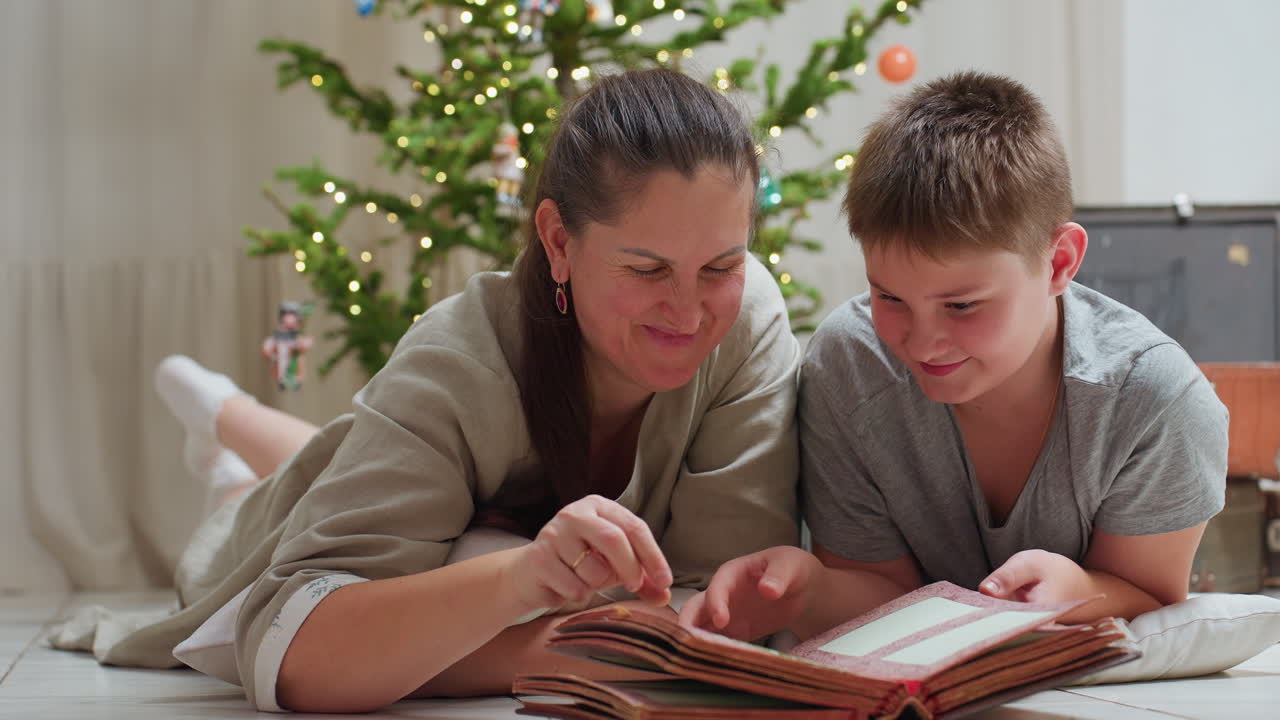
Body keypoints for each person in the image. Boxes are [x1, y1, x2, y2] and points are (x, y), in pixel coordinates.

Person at [53, 69, 802, 713]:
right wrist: (522, 583)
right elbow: (294, 646)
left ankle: (224, 420)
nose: (688, 309)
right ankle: (225, 431)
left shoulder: (748, 324)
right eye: (646, 270)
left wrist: (504, 629)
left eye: (720, 268)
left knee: (363, 477)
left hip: (428, 508)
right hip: (276, 533)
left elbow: (718, 619)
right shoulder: (459, 359)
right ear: (559, 243)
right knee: (254, 515)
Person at [680, 71, 1228, 644]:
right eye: (888, 296)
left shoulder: (1155, 400)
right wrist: (809, 590)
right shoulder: (850, 363)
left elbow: (1156, 599)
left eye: (962, 305)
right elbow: (877, 591)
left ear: (1060, 263)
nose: (921, 341)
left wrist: (1081, 593)